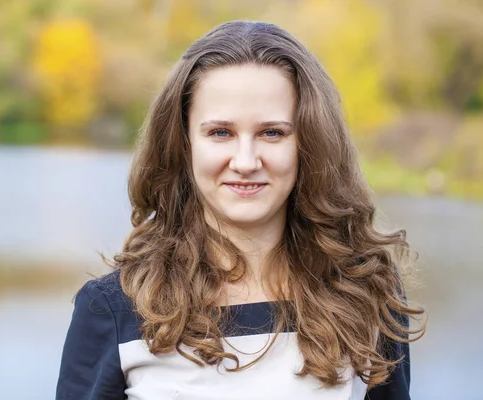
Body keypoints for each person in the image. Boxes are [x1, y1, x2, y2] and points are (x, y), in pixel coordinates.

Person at [55, 20, 426, 400]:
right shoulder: (114, 311)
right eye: (220, 132)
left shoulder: (365, 296)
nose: (246, 161)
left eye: (272, 133)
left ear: (310, 143)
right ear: (183, 144)